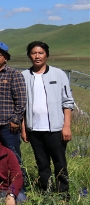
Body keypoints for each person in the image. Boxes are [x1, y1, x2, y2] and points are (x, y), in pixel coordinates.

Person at [21, 41, 74, 195]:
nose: (37, 56)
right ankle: (46, 192)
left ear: (47, 55)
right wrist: (24, 128)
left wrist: (66, 126)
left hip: (56, 128)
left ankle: (63, 194)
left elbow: (67, 102)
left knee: (60, 163)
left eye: (40, 53)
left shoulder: (58, 74)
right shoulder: (23, 76)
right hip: (34, 129)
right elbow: (22, 106)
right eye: (33, 53)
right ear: (29, 55)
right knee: (42, 163)